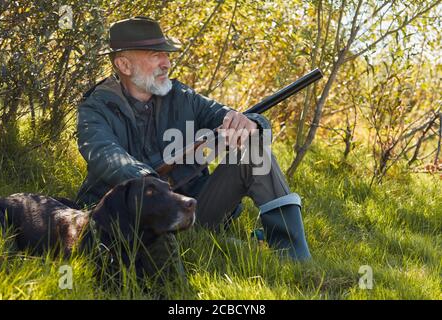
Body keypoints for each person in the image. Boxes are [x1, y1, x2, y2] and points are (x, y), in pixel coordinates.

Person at [75, 16, 311, 279]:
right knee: (228, 250)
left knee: (256, 154)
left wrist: (249, 123)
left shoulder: (181, 96)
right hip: (130, 222)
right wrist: (149, 181)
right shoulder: (94, 109)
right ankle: (233, 246)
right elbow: (104, 154)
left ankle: (295, 261)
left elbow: (225, 115)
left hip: (192, 209)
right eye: (155, 55)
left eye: (166, 54)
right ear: (124, 64)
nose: (166, 63)